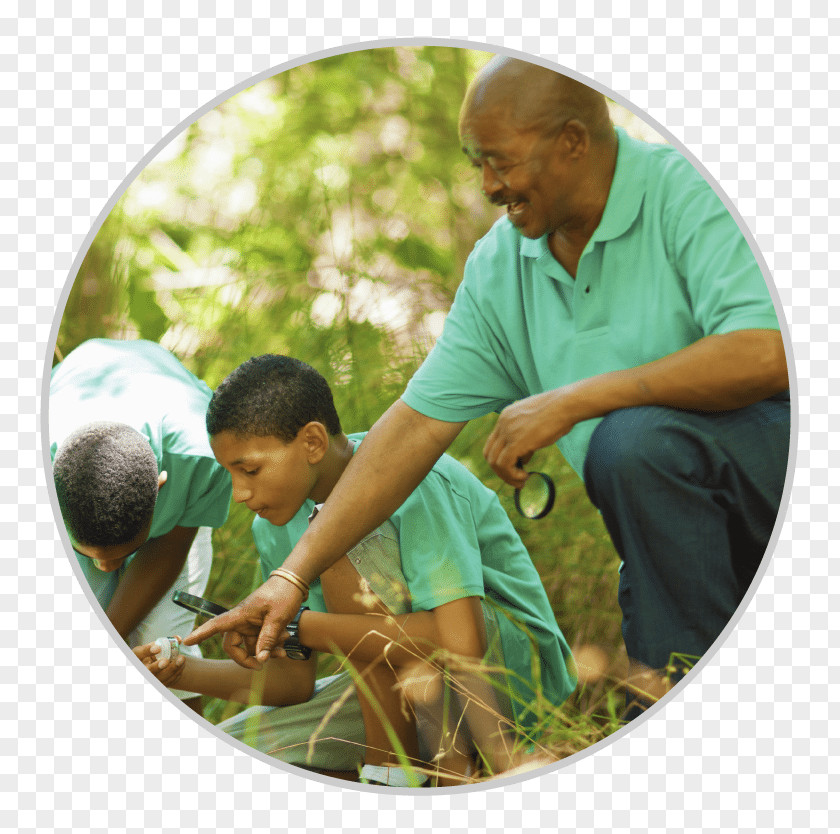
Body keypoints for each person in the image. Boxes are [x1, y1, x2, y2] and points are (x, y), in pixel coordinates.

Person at [185, 56, 790, 714]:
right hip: (671, 525)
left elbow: (766, 352)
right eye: (476, 162)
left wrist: (577, 399)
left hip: (776, 477)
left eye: (500, 161)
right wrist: (291, 576)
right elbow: (415, 426)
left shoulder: (694, 193)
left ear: (572, 141)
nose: (486, 185)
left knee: (633, 439)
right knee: (639, 470)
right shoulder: (505, 265)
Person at [170, 354, 574, 785]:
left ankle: (398, 772)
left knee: (337, 536)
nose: (239, 492)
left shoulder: (417, 476)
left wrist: (299, 626)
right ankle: (405, 776)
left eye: (249, 469)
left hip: (502, 680)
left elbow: (461, 642)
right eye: (229, 474)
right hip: (399, 685)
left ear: (312, 442)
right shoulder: (272, 528)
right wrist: (180, 669)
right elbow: (292, 681)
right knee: (236, 750)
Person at [50, 338, 233, 713]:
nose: (107, 567)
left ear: (160, 489)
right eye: (92, 555)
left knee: (163, 646)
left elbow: (169, 549)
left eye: (122, 554)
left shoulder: (201, 456)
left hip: (170, 517)